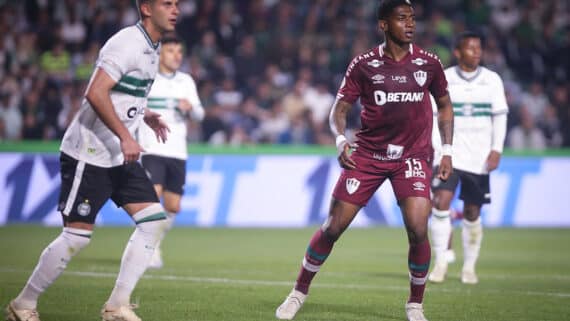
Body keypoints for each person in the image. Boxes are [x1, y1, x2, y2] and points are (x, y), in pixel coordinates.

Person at [275, 1, 454, 321]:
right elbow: (339, 110)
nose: (410, 24)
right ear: (384, 25)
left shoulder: (429, 63)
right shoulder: (364, 64)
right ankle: (298, 292)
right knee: (333, 226)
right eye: (401, 19)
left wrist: (448, 150)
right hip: (369, 155)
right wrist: (341, 139)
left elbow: (444, 105)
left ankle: (415, 304)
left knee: (417, 228)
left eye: (412, 18)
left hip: (412, 157)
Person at [5, 1, 179, 321]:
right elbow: (96, 93)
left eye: (177, 3)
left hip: (119, 156)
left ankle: (117, 307)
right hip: (90, 151)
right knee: (76, 236)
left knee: (153, 222)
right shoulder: (126, 42)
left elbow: (125, 95)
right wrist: (127, 137)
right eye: (167, 3)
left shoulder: (152, 48)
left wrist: (146, 114)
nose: (176, 9)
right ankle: (23, 304)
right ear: (145, 8)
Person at [428, 31, 508, 285]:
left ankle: (469, 266)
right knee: (440, 202)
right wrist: (440, 151)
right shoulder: (445, 79)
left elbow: (500, 116)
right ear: (458, 52)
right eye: (471, 48)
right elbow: (434, 118)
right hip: (449, 155)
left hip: (479, 158)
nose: (477, 52)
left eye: (479, 48)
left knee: (472, 212)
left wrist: (497, 149)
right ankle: (440, 262)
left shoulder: (492, 80)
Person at [138, 34, 205, 269]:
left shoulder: (186, 81)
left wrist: (191, 108)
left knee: (173, 206)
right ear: (160, 53)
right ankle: (147, 247)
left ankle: (154, 241)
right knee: (152, 197)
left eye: (179, 51)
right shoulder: (148, 78)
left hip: (178, 150)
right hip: (152, 147)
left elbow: (200, 114)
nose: (176, 56)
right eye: (171, 51)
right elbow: (134, 106)